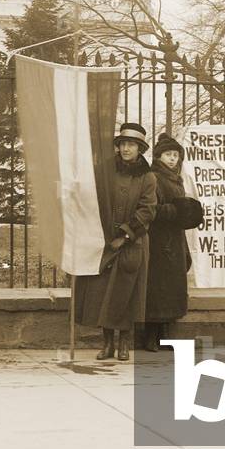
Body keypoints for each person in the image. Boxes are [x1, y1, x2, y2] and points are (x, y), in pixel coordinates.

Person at [74, 123, 157, 361]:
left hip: (132, 243)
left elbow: (147, 210)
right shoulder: (104, 172)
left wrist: (126, 234)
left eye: (131, 145)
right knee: (102, 293)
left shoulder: (148, 177)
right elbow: (93, 198)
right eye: (123, 144)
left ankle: (124, 343)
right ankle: (107, 343)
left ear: (140, 149)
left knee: (126, 294)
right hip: (105, 242)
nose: (126, 148)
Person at [142, 133, 199, 352]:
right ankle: (150, 337)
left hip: (174, 240)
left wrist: (187, 211)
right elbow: (151, 209)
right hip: (158, 241)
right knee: (157, 289)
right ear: (158, 156)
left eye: (176, 155)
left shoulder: (176, 178)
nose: (173, 159)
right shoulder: (155, 177)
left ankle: (164, 335)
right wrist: (177, 210)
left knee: (171, 290)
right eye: (168, 154)